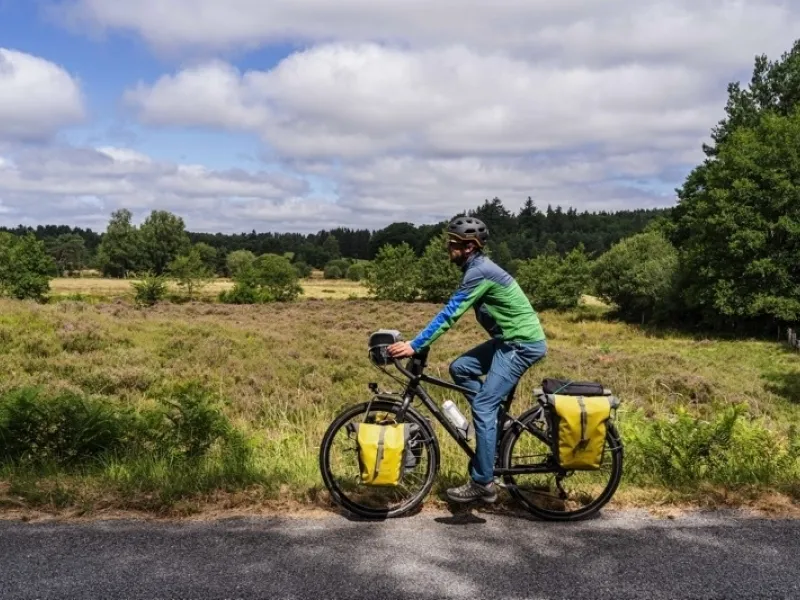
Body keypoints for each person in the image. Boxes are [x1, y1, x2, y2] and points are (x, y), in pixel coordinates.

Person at [387, 215, 547, 504]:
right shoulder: (476, 269)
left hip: (521, 344)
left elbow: (450, 314)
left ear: (470, 246)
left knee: (483, 405)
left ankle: (483, 482)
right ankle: (493, 425)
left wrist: (415, 344)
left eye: (454, 243)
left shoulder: (480, 272)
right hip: (508, 340)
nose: (448, 247)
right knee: (460, 368)